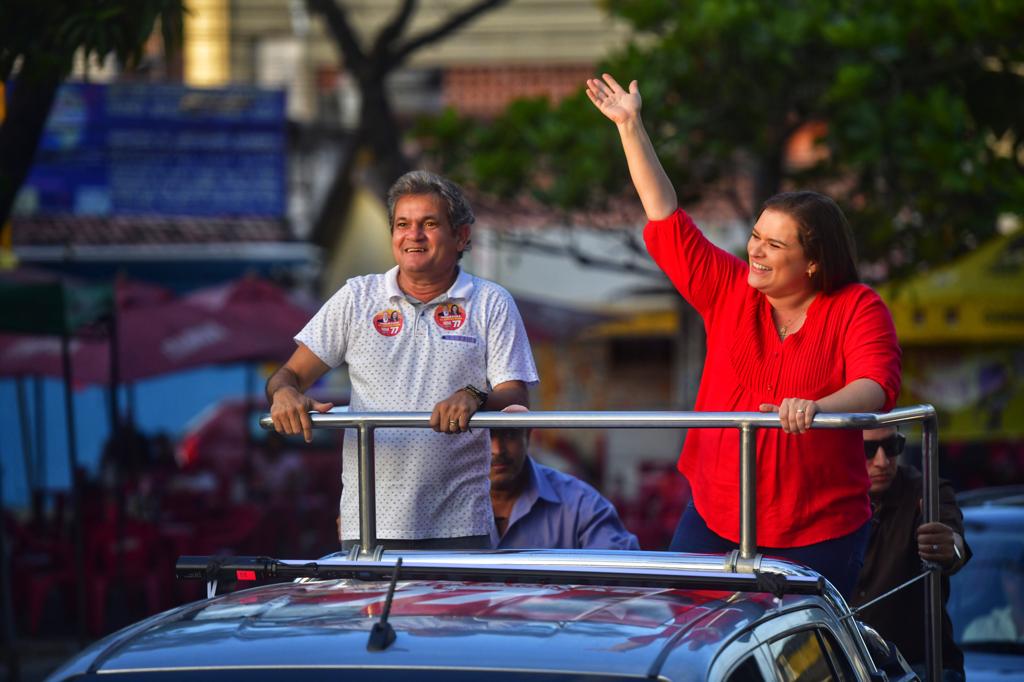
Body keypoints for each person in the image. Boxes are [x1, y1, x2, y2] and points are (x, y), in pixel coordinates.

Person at [586, 74, 902, 596]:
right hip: (713, 514)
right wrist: (630, 125)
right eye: (756, 236)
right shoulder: (731, 288)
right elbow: (666, 217)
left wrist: (816, 405)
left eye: (775, 245)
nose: (755, 250)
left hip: (818, 526)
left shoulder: (857, 306)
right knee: (689, 648)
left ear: (815, 261)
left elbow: (876, 384)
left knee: (800, 664)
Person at [267, 170, 539, 550]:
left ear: (461, 236)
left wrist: (474, 395)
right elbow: (290, 374)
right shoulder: (357, 297)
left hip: (460, 520)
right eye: (402, 224)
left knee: (457, 612)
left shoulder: (492, 301)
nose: (414, 235)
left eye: (429, 224)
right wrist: (284, 395)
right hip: (369, 523)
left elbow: (515, 398)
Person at [852, 426, 970, 681]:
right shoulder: (830, 497)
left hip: (922, 666)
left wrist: (948, 546)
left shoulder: (926, 491)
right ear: (846, 451)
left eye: (892, 446)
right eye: (869, 450)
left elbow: (954, 543)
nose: (882, 461)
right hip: (849, 665)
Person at [489, 405, 639, 550]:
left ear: (527, 435)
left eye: (510, 435)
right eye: (485, 437)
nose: (498, 450)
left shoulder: (581, 504)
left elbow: (623, 568)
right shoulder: (464, 503)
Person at [962, 550, 1024, 643]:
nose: (1019, 583)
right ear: (1002, 582)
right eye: (1011, 576)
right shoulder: (979, 632)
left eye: (1023, 575)